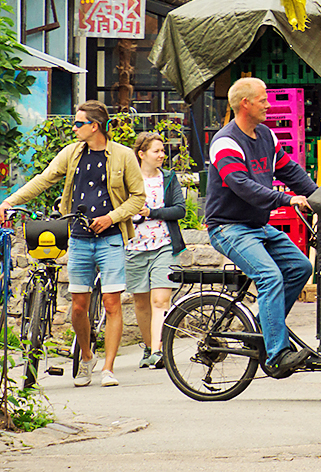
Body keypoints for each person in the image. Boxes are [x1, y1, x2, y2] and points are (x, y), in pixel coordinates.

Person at [0, 100, 144, 387]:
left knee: (112, 302)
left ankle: (108, 368)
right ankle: (87, 355)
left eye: (79, 123)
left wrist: (111, 217)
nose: (74, 128)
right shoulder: (72, 154)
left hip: (111, 238)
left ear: (95, 126)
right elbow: (44, 180)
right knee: (78, 306)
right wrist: (9, 201)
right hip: (78, 237)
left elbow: (138, 198)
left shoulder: (124, 156)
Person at [206, 78, 318, 375]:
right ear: (246, 104)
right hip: (228, 227)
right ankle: (276, 354)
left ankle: (260, 329)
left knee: (300, 267)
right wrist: (288, 199)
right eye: (263, 99)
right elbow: (242, 186)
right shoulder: (225, 142)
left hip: (257, 225)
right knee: (269, 276)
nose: (268, 104)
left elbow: (290, 170)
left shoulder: (266, 136)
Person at [127, 131, 186, 370]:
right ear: (141, 154)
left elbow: (179, 210)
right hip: (133, 246)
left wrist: (152, 213)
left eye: (163, 151)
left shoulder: (169, 179)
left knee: (160, 300)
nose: (162, 155)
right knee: (141, 303)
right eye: (156, 151)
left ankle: (159, 350)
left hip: (164, 245)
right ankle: (149, 348)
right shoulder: (128, 180)